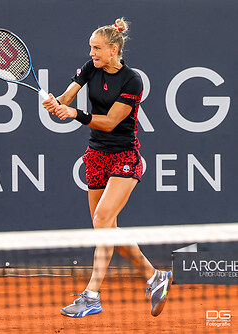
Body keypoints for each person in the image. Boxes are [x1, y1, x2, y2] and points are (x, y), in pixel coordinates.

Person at [42, 18, 172, 318]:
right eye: (91, 48)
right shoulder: (90, 68)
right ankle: (155, 277)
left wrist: (73, 113)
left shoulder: (132, 81)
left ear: (114, 49)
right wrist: (55, 104)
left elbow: (111, 122)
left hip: (124, 156)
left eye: (97, 48)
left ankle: (91, 295)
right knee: (105, 229)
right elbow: (65, 99)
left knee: (102, 220)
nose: (92, 53)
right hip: (96, 155)